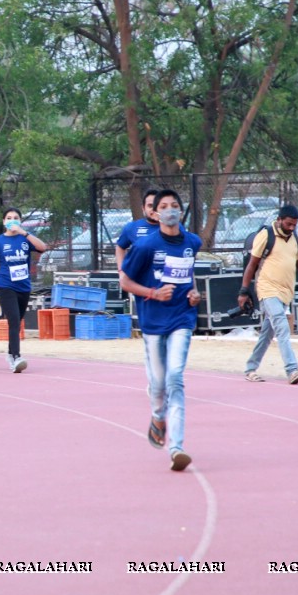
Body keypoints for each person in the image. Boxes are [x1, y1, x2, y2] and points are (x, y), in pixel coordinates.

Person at [119, 189, 203, 471]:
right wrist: (153, 294)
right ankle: (158, 416)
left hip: (182, 318)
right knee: (158, 384)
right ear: (154, 213)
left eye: (174, 205)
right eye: (163, 206)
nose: (169, 210)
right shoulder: (145, 247)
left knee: (175, 378)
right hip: (154, 321)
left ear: (181, 211)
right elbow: (126, 283)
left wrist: (194, 293)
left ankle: (177, 447)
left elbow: (188, 273)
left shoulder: (192, 241)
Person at [241, 205, 298, 384]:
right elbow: (252, 265)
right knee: (282, 326)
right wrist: (243, 291)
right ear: (279, 219)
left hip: (285, 293)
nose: (291, 228)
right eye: (288, 224)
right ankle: (292, 370)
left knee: (267, 334)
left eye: (294, 225)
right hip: (267, 290)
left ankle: (250, 368)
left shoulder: (294, 238)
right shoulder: (266, 235)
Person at [0, 207, 47, 373]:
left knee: (17, 322)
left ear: (20, 221)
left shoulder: (25, 239)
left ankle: (10, 353)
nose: (12, 220)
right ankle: (16, 356)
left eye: (15, 217)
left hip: (24, 287)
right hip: (6, 287)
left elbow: (42, 247)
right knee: (13, 320)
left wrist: (24, 232)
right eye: (9, 217)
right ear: (4, 222)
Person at [115, 187, 162, 269]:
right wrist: (121, 270)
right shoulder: (132, 228)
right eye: (150, 206)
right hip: (139, 279)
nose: (154, 209)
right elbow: (120, 247)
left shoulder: (173, 228)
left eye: (157, 205)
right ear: (143, 208)